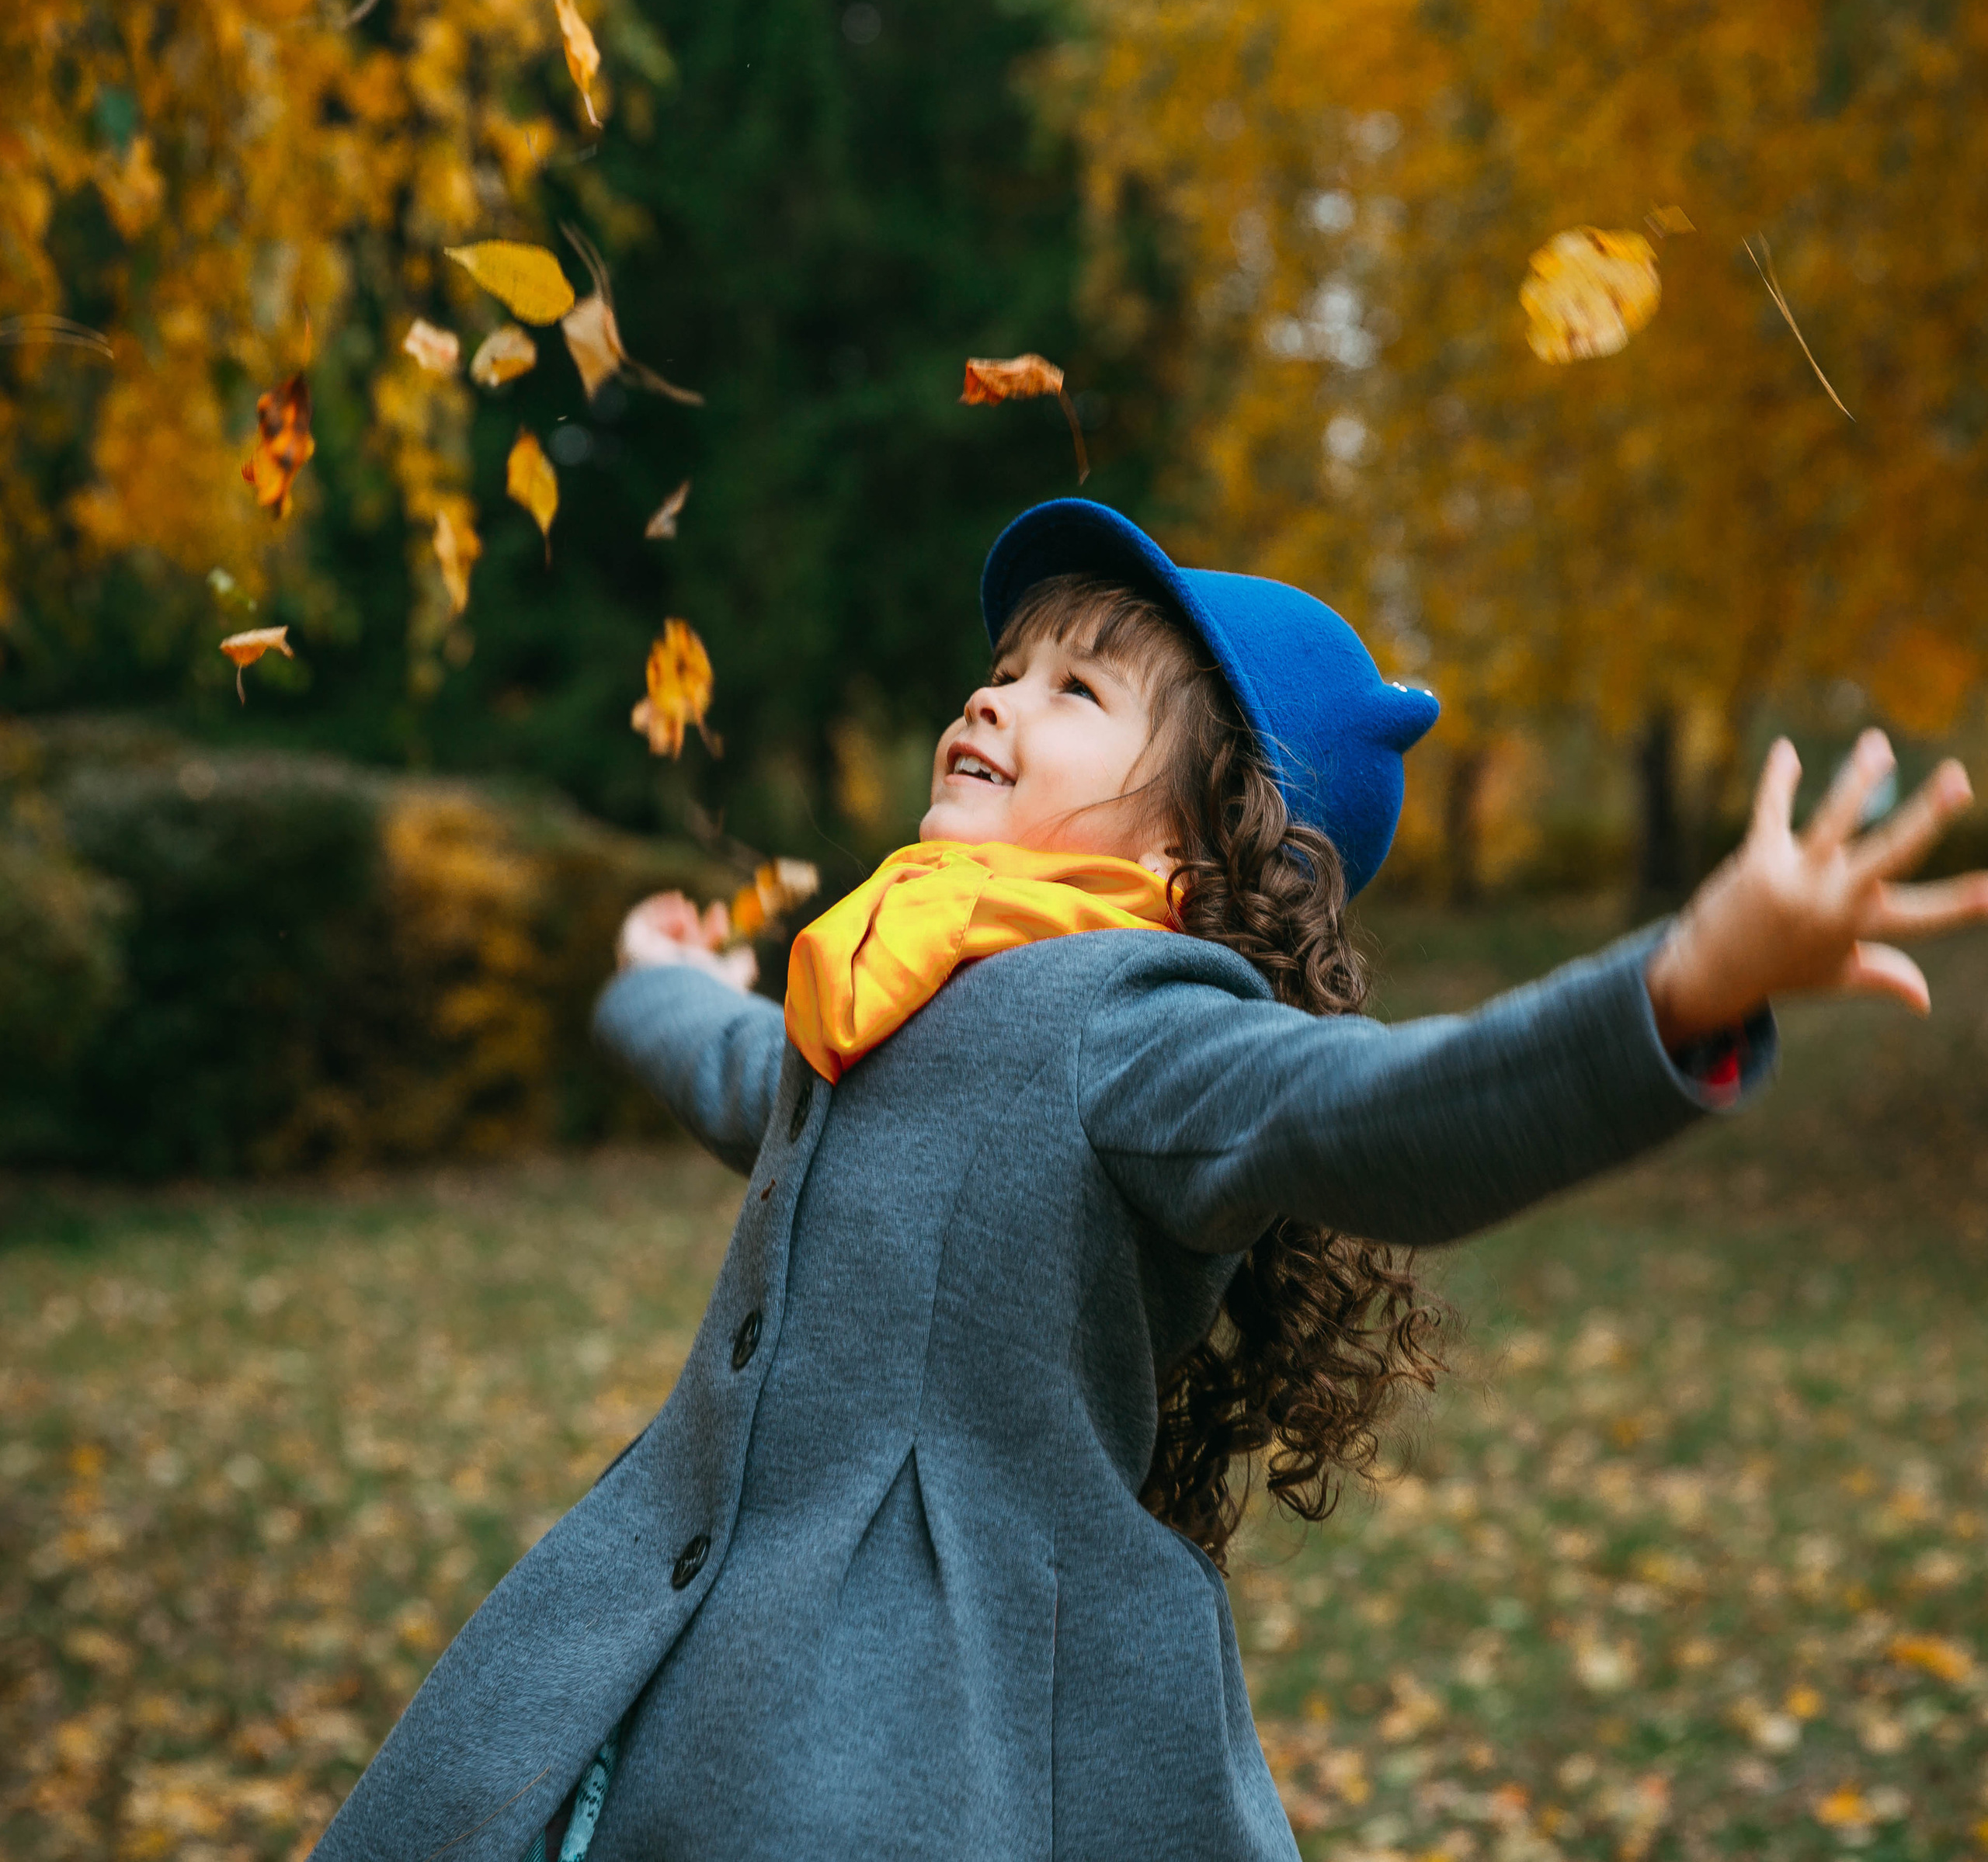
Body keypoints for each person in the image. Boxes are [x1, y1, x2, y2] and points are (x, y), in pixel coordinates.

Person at [311, 499, 1988, 1862]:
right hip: (666, 1677)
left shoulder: (1133, 1022)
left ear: (1183, 854)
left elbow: (1381, 1112)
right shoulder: (883, 979)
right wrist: (651, 981)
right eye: (1003, 670)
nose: (994, 700)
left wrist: (1681, 986)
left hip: (892, 1752)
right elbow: (749, 1075)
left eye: (1074, 692)